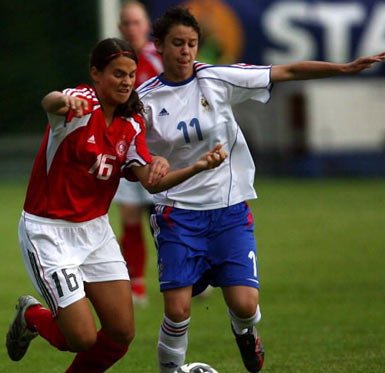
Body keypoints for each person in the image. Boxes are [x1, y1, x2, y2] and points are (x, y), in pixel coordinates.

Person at [135, 7, 385, 373]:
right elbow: (130, 144)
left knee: (245, 305)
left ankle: (245, 332)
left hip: (229, 208)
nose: (186, 51)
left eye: (192, 44)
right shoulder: (144, 100)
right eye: (177, 44)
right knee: (177, 309)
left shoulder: (218, 78)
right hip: (177, 213)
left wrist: (343, 68)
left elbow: (288, 70)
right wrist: (149, 160)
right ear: (159, 46)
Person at [5, 37, 227, 372]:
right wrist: (62, 100)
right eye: (117, 74)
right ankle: (32, 315)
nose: (125, 82)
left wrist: (194, 167)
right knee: (79, 338)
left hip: (95, 231)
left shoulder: (132, 123)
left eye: (130, 75)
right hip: (48, 232)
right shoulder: (80, 103)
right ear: (96, 74)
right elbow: (50, 102)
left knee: (121, 334)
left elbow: (151, 181)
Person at [114, 0, 164, 305]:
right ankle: (137, 285)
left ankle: (192, 274)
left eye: (137, 22)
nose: (132, 28)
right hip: (123, 150)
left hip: (157, 153)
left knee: (165, 217)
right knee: (129, 217)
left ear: (146, 26)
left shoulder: (157, 59)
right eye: (127, 23)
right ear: (120, 28)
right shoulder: (112, 61)